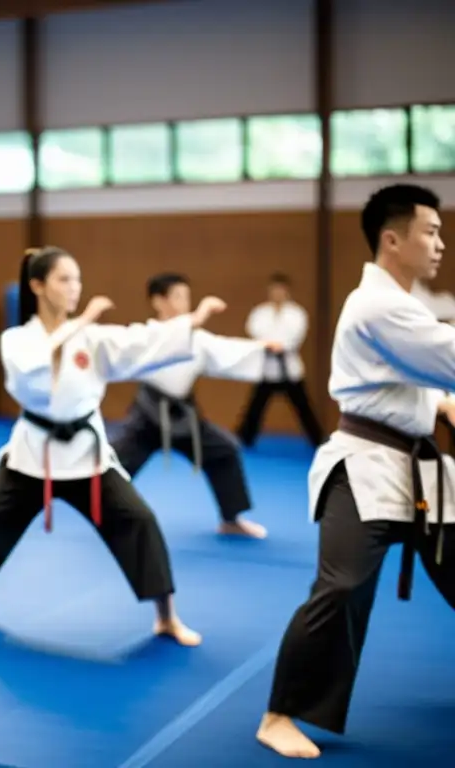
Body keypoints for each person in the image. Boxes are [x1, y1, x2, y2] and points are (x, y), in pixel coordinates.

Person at [0, 246, 226, 643]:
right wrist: (83, 320)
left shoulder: (93, 338)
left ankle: (166, 616)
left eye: (78, 279)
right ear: (37, 285)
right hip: (32, 456)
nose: (75, 288)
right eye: (64, 279)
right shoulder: (17, 340)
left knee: (138, 521)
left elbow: (143, 342)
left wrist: (192, 320)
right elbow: (35, 375)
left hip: (86, 459)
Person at [256, 183, 455, 760]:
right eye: (431, 232)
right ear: (392, 240)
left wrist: (437, 405)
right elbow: (445, 355)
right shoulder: (378, 305)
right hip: (365, 469)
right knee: (341, 587)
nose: (441, 243)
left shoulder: (403, 302)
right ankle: (277, 715)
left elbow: (412, 376)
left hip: (419, 472)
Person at [109, 273, 280, 539]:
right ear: (158, 301)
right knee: (114, 464)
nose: (184, 303)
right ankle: (106, 515)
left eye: (186, 297)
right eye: (177, 296)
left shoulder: (196, 338)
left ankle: (230, 519)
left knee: (224, 450)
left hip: (184, 415)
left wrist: (260, 347)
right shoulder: (149, 334)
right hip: (147, 414)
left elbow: (225, 349)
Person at [235, 273, 323, 447]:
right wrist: (270, 343)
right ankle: (244, 438)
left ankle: (318, 439)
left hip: (289, 369)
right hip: (267, 369)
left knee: (303, 407)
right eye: (274, 290)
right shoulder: (260, 313)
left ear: (287, 291)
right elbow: (255, 333)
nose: (277, 293)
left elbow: (294, 337)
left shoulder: (297, 313)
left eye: (280, 290)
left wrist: (277, 344)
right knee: (255, 407)